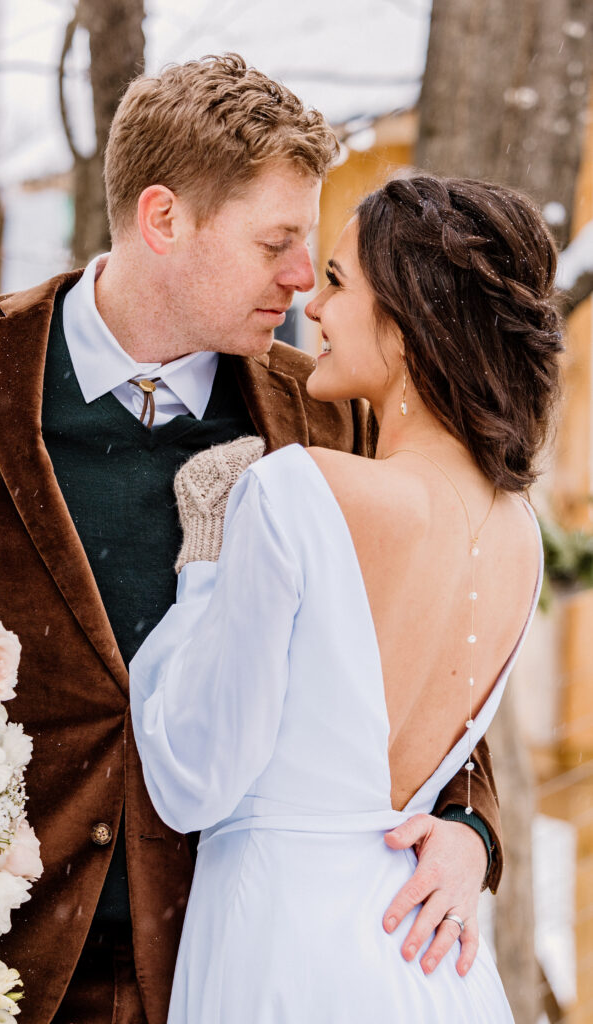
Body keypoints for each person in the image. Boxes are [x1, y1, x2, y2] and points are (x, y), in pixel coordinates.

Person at [0, 56, 499, 1023]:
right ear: (163, 219)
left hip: (224, 959)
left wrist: (467, 823)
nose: (303, 278)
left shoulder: (327, 421)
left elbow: (428, 635)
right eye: (276, 241)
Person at [129, 174, 562, 1021]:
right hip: (426, 960)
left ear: (406, 327)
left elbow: (192, 780)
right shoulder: (519, 533)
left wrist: (204, 561)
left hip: (283, 944)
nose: (313, 310)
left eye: (335, 282)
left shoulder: (297, 490)